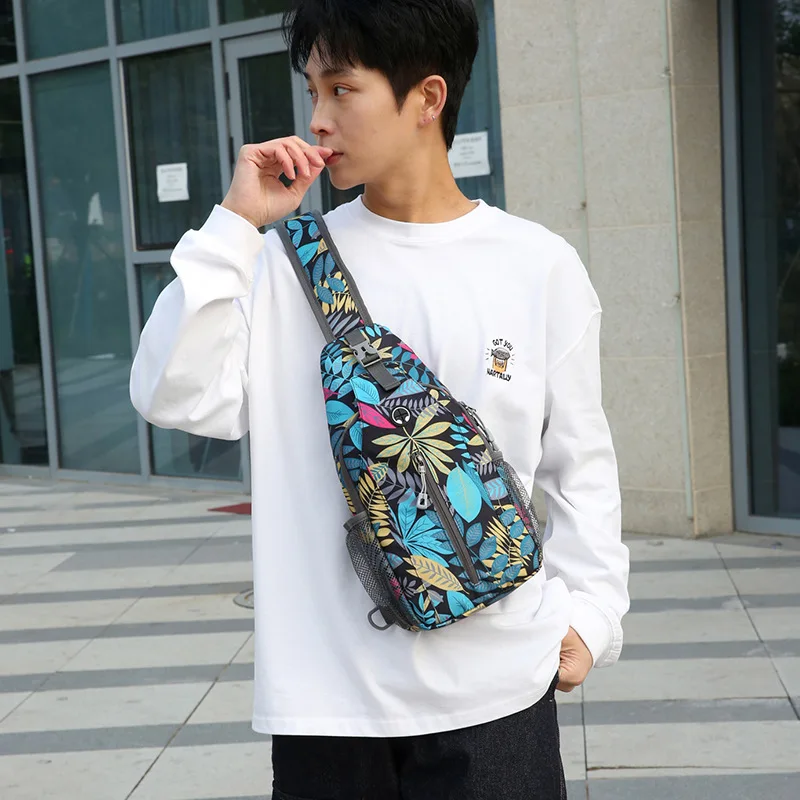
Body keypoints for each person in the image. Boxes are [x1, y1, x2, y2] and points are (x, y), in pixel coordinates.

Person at [130, 1, 630, 797]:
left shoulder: (537, 265)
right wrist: (233, 226)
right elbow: (173, 396)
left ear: (427, 97)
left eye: (341, 89)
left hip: (498, 695)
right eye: (312, 90)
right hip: (328, 708)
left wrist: (592, 615)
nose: (317, 119)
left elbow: (581, 464)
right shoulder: (282, 263)